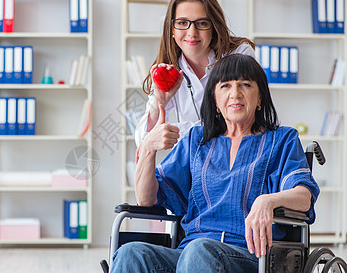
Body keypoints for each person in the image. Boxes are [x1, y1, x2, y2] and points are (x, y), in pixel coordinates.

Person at [112, 54, 320, 273]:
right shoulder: (197, 141)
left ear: (260, 98)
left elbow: (304, 196)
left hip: (252, 256)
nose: (235, 94)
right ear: (215, 100)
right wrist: (147, 148)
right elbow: (146, 199)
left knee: (198, 252)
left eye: (245, 85)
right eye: (225, 86)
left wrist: (266, 201)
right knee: (131, 253)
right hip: (190, 253)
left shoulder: (281, 139)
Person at [135, 0, 255, 152]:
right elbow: (143, 141)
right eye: (182, 23)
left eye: (202, 23)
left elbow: (240, 121)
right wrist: (160, 100)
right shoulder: (169, 70)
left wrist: (181, 131)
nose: (192, 32)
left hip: (240, 154)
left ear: (213, 26)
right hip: (196, 163)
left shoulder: (239, 54)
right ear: (172, 29)